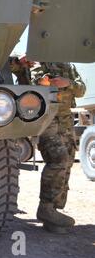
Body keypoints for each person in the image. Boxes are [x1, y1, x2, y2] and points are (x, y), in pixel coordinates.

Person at [31, 62, 86, 233]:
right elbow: (26, 86)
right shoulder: (33, 61)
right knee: (58, 159)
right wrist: (41, 83)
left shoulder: (66, 65)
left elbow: (81, 89)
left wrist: (67, 83)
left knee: (68, 161)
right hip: (46, 118)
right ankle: (46, 208)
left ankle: (53, 212)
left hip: (65, 120)